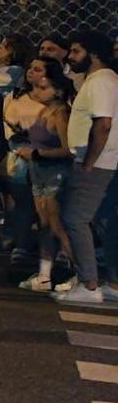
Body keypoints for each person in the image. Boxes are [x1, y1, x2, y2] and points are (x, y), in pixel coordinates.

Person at [57, 30, 118, 305]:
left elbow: (103, 124)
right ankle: (111, 282)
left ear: (92, 54)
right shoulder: (103, 80)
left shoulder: (100, 82)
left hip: (97, 162)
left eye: (76, 51)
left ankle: (89, 283)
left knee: (74, 218)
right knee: (104, 222)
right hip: (104, 161)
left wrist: (89, 163)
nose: (70, 57)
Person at [15, 59, 76, 293]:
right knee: (44, 227)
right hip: (39, 174)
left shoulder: (60, 113)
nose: (37, 92)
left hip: (53, 174)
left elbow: (67, 148)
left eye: (43, 87)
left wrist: (38, 153)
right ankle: (44, 274)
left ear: (57, 89)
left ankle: (82, 274)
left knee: (58, 226)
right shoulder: (44, 111)